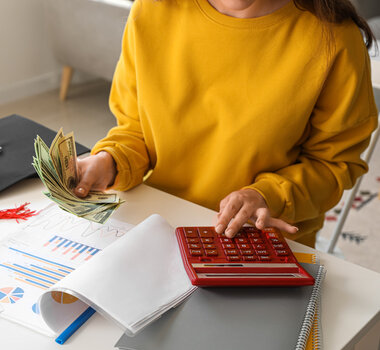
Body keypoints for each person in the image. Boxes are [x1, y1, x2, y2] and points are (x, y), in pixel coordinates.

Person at [73, 0, 378, 247]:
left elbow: (334, 164)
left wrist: (266, 196)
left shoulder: (335, 39)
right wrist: (109, 161)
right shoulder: (152, 9)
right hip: (159, 227)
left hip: (259, 240)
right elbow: (136, 129)